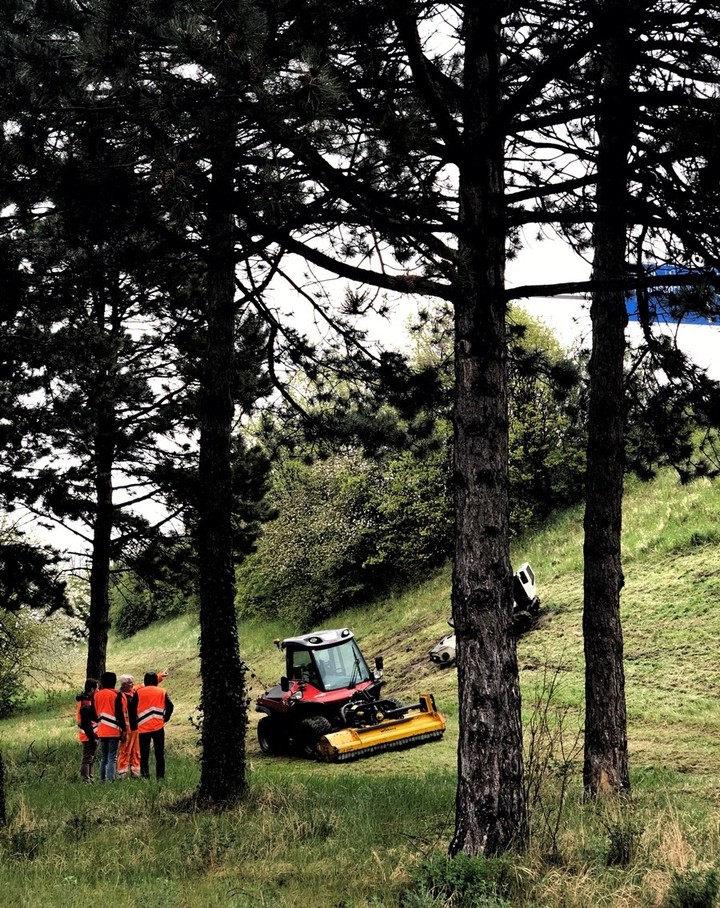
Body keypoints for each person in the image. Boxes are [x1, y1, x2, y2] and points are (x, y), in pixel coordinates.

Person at [116, 669, 169, 779]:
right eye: (130, 683)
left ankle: (140, 773)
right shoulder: (120, 696)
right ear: (124, 684)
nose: (132, 684)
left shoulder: (136, 692)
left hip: (139, 727)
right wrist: (165, 718)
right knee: (126, 751)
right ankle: (123, 773)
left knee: (140, 753)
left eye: (132, 683)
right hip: (135, 727)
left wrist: (160, 676)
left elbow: (146, 685)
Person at [129, 671, 174, 780]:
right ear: (156, 681)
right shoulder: (162, 691)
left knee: (144, 755)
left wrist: (133, 725)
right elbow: (170, 706)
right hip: (158, 726)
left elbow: (131, 709)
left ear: (145, 681)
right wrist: (165, 718)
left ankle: (145, 776)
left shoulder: (139, 693)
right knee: (159, 754)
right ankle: (160, 777)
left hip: (143, 727)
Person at [94, 671, 125, 782]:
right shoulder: (116, 694)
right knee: (112, 757)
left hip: (101, 730)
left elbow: (94, 712)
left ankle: (102, 780)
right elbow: (120, 713)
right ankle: (110, 780)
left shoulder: (97, 695)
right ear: (114, 681)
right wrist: (123, 729)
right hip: (113, 730)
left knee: (104, 757)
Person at [76, 678, 98, 783]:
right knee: (87, 758)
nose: (98, 691)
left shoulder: (86, 700)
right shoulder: (86, 703)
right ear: (92, 689)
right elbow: (86, 722)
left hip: (91, 733)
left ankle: (90, 777)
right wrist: (92, 737)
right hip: (88, 734)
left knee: (92, 758)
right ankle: (86, 779)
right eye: (97, 688)